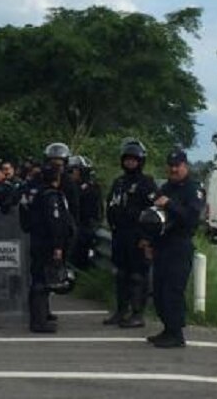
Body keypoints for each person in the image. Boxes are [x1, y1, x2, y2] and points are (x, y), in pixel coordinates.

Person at [145, 149, 203, 349]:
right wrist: (149, 242)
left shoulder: (193, 189)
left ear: (185, 165)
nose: (173, 169)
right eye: (171, 165)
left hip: (180, 244)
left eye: (177, 165)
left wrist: (169, 204)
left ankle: (176, 333)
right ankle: (167, 328)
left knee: (173, 291)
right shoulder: (167, 187)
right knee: (159, 291)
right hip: (162, 243)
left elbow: (191, 217)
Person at [104, 139, 156, 329]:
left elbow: (153, 212)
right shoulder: (119, 182)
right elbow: (111, 205)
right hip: (120, 235)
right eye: (127, 159)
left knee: (137, 276)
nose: (130, 163)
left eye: (134, 160)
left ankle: (137, 313)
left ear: (140, 161)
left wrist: (147, 238)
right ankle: (120, 311)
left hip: (138, 236)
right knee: (120, 274)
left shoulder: (146, 183)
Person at [21, 160, 70, 333]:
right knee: (42, 282)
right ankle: (39, 322)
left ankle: (41, 316)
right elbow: (55, 221)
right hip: (47, 243)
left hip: (37, 240)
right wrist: (58, 245)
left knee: (40, 280)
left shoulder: (36, 194)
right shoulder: (51, 196)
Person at [68, 155, 101, 269]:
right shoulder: (69, 187)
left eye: (74, 170)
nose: (71, 174)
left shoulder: (90, 188)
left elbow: (94, 211)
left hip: (84, 226)